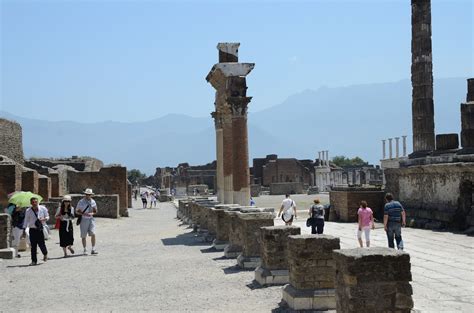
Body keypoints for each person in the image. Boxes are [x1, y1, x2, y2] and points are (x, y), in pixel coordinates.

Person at [23, 197, 49, 265]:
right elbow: (26, 220)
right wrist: (24, 229)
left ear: (38, 202)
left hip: (40, 229)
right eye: (33, 202)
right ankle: (34, 261)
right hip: (32, 229)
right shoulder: (28, 210)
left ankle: (45, 253)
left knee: (41, 244)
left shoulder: (43, 208)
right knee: (33, 246)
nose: (34, 203)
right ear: (31, 203)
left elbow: (47, 217)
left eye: (36, 202)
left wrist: (43, 219)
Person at [76, 188, 98, 255]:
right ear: (85, 194)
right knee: (83, 235)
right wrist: (84, 214)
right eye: (87, 194)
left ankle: (93, 249)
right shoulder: (81, 202)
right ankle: (85, 249)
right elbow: (77, 211)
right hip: (83, 219)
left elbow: (95, 210)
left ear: (91, 195)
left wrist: (92, 213)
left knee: (93, 233)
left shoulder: (93, 201)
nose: (88, 195)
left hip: (91, 219)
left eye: (89, 194)